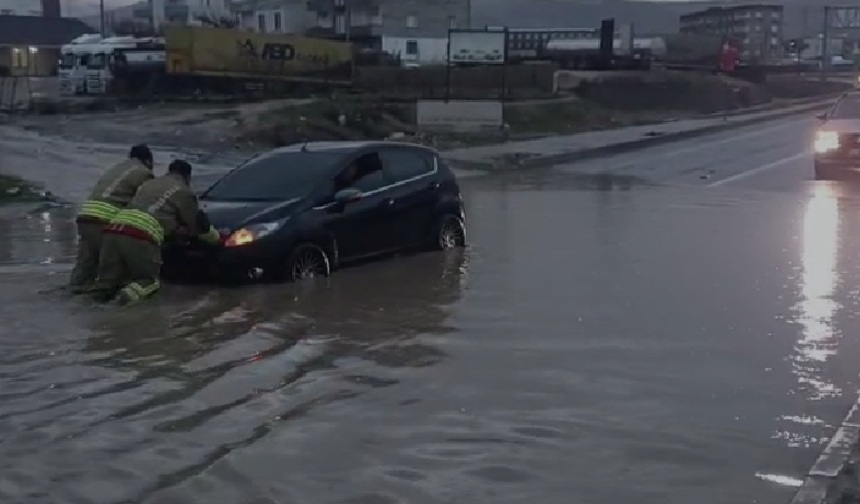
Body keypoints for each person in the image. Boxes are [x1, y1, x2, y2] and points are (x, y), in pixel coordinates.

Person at [90, 159, 221, 305]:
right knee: (149, 281)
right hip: (140, 235)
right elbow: (196, 225)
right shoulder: (184, 192)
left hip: (113, 229)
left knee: (106, 283)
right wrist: (215, 238)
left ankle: (92, 312)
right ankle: (124, 300)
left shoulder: (150, 183)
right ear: (187, 177)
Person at [68, 144, 154, 294]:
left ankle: (73, 292)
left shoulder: (117, 168)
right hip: (106, 221)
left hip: (85, 215)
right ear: (148, 160)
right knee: (115, 267)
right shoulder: (145, 173)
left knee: (86, 262)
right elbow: (144, 204)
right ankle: (108, 304)